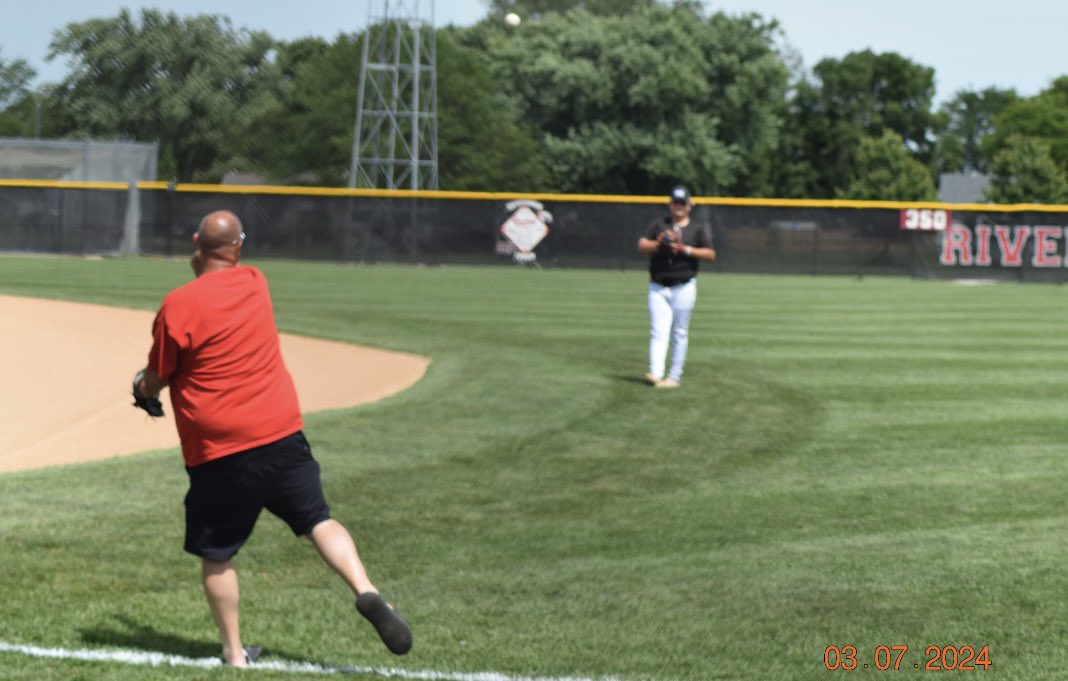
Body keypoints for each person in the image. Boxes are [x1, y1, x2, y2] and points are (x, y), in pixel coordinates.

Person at [134, 210, 411, 666]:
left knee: (216, 552)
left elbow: (160, 373)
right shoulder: (255, 282)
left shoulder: (178, 303)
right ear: (239, 247)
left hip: (220, 449)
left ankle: (233, 654)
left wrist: (142, 390)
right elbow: (224, 270)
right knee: (318, 520)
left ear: (195, 242)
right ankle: (366, 589)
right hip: (280, 432)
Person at [636, 186, 717, 388]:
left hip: (684, 286)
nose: (678, 206)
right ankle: (655, 373)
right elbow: (642, 245)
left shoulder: (697, 228)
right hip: (658, 285)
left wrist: (683, 249)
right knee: (658, 330)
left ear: (689, 206)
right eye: (675, 202)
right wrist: (659, 244)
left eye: (682, 202)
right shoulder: (659, 225)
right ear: (670, 204)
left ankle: (673, 377)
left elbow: (710, 254)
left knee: (679, 332)